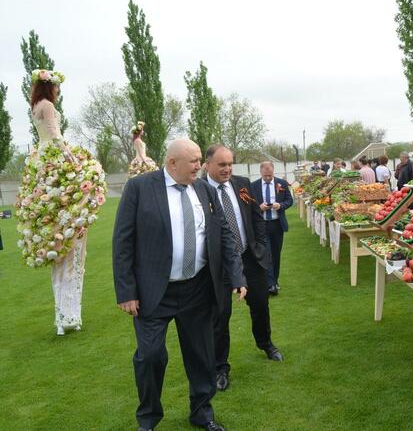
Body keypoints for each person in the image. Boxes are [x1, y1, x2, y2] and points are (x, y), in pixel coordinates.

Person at [113, 138, 247, 431]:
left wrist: (237, 276)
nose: (200, 165)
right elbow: (122, 242)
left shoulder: (202, 189)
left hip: (197, 289)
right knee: (149, 356)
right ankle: (148, 419)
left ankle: (202, 414)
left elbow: (223, 233)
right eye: (194, 161)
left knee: (201, 356)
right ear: (172, 163)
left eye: (200, 159)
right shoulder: (140, 188)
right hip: (153, 293)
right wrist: (126, 291)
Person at [15, 69, 107, 335]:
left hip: (41, 163)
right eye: (55, 86)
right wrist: (73, 159)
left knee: (61, 255)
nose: (57, 91)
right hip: (55, 159)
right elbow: (55, 136)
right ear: (50, 87)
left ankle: (63, 317)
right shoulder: (49, 107)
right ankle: (69, 316)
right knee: (72, 250)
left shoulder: (35, 107)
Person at [203, 145, 283, 392]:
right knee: (220, 314)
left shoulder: (242, 184)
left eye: (230, 164)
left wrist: (258, 246)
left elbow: (256, 217)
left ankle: (266, 343)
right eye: (222, 165)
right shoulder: (198, 190)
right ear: (208, 164)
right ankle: (220, 368)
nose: (227, 169)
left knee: (260, 304)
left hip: (249, 257)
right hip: (218, 266)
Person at [252, 161, 294, 295]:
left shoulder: (281, 183)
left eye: (270, 175)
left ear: (273, 171)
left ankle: (274, 281)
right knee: (267, 254)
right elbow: (249, 205)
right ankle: (270, 285)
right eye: (266, 175)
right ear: (261, 172)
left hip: (277, 224)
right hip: (261, 225)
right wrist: (260, 207)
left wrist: (280, 205)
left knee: (276, 254)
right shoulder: (254, 186)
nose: (268, 177)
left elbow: (289, 200)